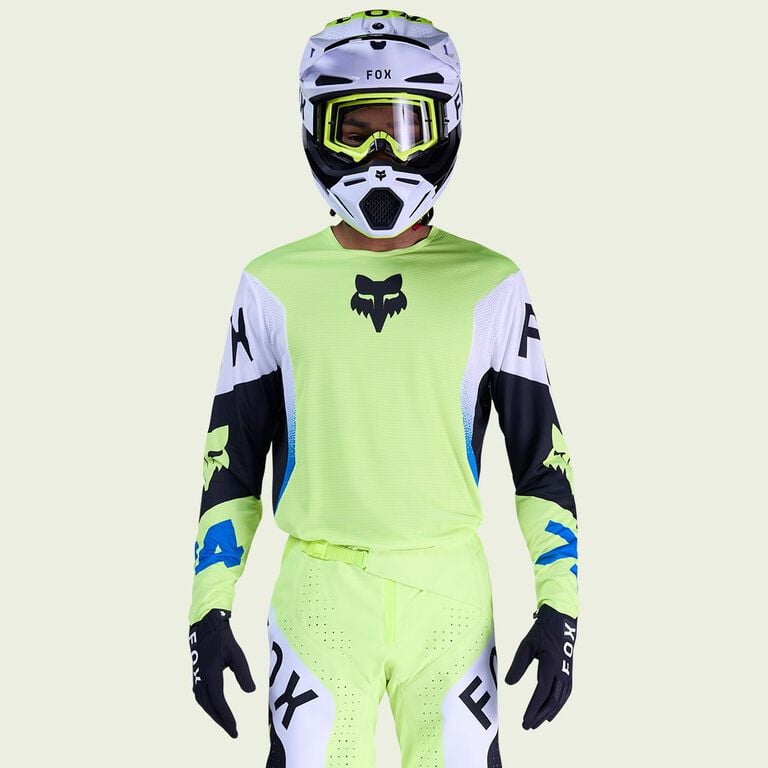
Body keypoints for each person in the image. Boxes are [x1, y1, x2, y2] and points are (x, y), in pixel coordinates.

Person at [187, 9, 579, 767]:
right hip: (319, 598)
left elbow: (543, 463)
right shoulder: (270, 286)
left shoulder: (493, 285)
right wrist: (208, 610)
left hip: (449, 603)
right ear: (316, 128)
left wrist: (560, 608)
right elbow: (229, 463)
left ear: (444, 126)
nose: (381, 153)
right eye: (355, 128)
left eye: (404, 126)